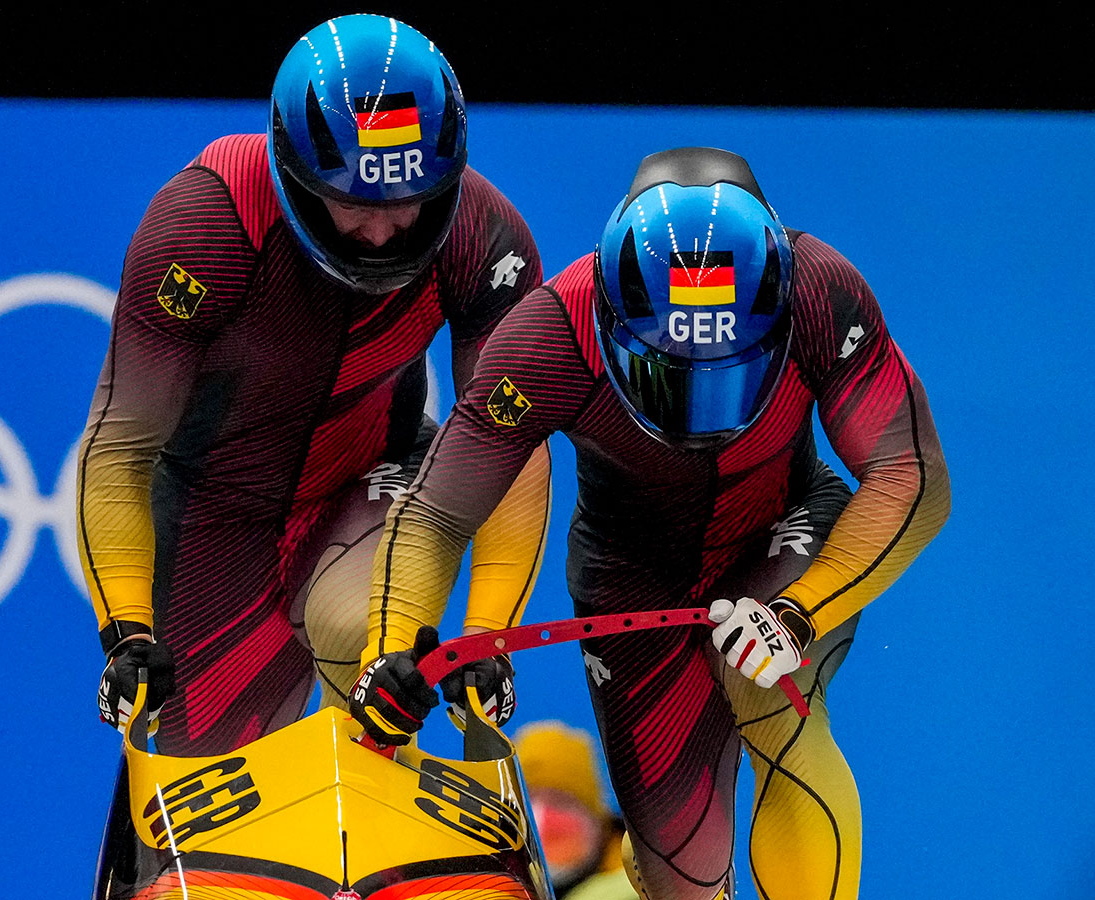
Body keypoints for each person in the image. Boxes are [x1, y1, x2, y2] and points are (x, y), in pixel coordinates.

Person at [348, 148, 951, 900]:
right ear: (611, 315)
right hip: (630, 578)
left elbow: (910, 476)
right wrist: (386, 650)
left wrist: (803, 611)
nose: (702, 411)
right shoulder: (552, 333)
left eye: (729, 368)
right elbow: (438, 514)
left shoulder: (822, 292)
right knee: (682, 874)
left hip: (783, 529)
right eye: (672, 370)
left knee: (765, 678)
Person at [76, 13, 550, 757]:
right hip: (213, 514)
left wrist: (489, 636)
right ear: (295, 170)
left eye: (409, 198)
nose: (384, 232)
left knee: (371, 653)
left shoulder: (483, 238)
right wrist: (128, 629)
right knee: (197, 804)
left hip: (372, 477)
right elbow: (120, 446)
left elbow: (508, 445)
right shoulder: (208, 220)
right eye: (355, 201)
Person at [514, 720, 634, 900]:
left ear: (597, 820)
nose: (542, 819)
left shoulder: (643, 885)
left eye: (561, 802)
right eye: (528, 803)